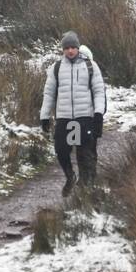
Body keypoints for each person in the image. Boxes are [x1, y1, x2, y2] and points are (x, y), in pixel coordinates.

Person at [39, 32, 107, 195]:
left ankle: (87, 188)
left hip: (84, 117)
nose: (70, 51)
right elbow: (49, 94)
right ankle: (70, 176)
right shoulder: (56, 68)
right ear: (63, 50)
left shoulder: (90, 66)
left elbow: (99, 91)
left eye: (73, 48)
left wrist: (98, 114)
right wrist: (44, 116)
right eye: (67, 48)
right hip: (64, 118)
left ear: (78, 48)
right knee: (61, 150)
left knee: (85, 153)